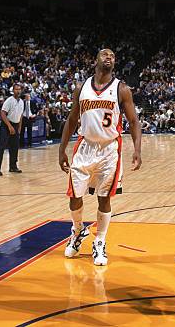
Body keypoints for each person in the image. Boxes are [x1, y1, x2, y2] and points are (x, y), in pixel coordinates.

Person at [59, 48, 142, 266]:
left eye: (113, 56)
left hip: (109, 149)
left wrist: (137, 150)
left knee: (104, 198)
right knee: (74, 195)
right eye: (105, 54)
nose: (109, 58)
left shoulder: (121, 89)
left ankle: (100, 241)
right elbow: (71, 119)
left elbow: (134, 122)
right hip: (84, 146)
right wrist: (61, 150)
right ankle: (77, 231)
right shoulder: (82, 87)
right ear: (95, 59)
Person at [0, 83, 24, 176]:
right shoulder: (9, 100)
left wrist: (19, 127)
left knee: (14, 147)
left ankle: (13, 166)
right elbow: (2, 113)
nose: (18, 91)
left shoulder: (22, 102)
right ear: (13, 90)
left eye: (19, 89)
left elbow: (21, 115)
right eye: (16, 89)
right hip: (6, 124)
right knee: (1, 147)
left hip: (15, 124)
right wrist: (9, 126)